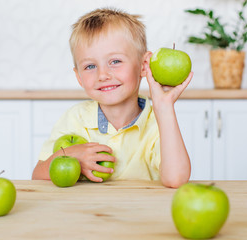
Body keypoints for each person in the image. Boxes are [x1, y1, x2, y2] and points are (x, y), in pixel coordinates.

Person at [32, 8, 193, 188]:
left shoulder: (158, 122)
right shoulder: (75, 119)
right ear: (79, 77)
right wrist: (71, 154)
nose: (103, 75)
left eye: (115, 61)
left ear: (144, 65)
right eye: (90, 66)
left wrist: (164, 107)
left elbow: (176, 180)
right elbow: (38, 175)